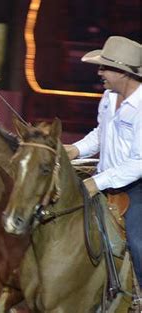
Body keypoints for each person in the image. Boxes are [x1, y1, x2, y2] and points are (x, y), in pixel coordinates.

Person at [64, 36, 142, 301]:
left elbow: (139, 162)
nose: (99, 73)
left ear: (123, 72)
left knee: (138, 242)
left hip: (135, 186)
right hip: (105, 178)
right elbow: (101, 133)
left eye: (104, 68)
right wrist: (75, 149)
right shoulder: (109, 97)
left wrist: (96, 182)